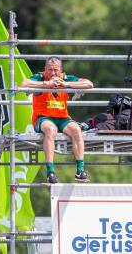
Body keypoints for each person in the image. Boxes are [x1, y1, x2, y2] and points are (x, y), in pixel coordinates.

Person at [21, 56, 94, 184]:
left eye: (55, 70)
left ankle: (80, 171)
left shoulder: (64, 78)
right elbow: (23, 84)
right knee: (51, 129)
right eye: (50, 70)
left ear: (60, 70)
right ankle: (50, 172)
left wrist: (67, 84)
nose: (53, 73)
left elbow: (89, 84)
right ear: (45, 69)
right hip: (42, 118)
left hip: (62, 118)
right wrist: (46, 84)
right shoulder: (40, 77)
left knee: (76, 129)